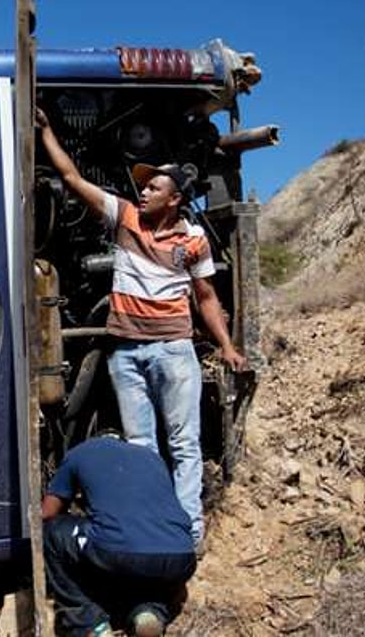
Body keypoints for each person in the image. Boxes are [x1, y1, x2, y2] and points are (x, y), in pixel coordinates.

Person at [36, 108, 246, 549]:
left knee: (184, 444)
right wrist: (48, 134)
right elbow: (73, 178)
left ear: (175, 198)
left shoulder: (194, 240)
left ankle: (188, 530)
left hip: (173, 350)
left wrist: (225, 345)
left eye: (154, 186)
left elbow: (206, 297)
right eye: (144, 185)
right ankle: (153, 526)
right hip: (127, 353)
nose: (144, 190)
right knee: (141, 447)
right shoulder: (125, 217)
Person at [42, 432, 197, 636]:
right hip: (183, 554)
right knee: (145, 558)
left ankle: (89, 624)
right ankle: (149, 611)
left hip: (117, 551)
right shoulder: (151, 457)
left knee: (52, 532)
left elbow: (48, 513)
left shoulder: (80, 452)